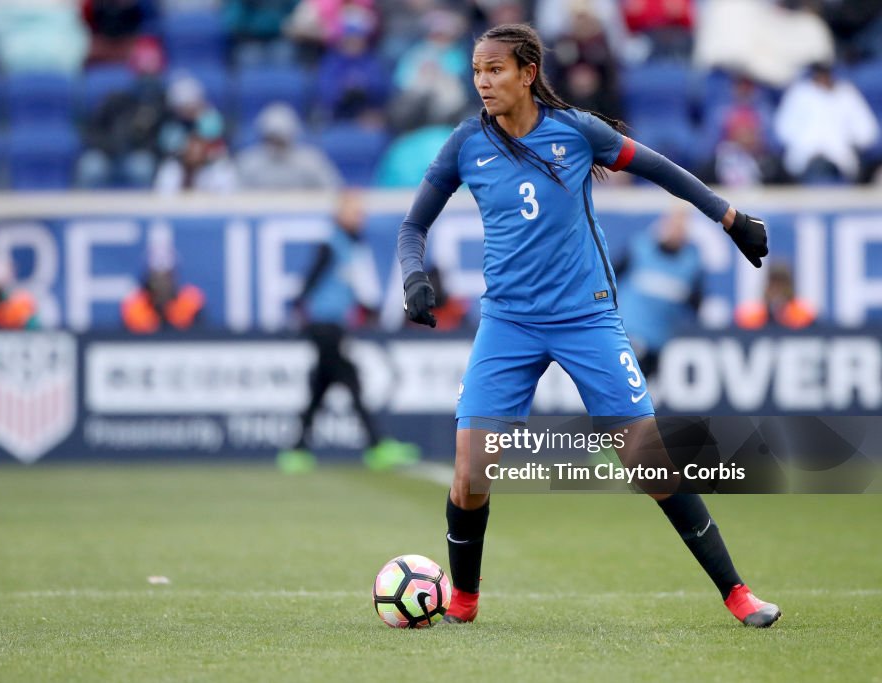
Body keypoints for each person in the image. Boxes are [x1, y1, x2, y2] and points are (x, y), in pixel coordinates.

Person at [397, 23, 778, 627]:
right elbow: (413, 226)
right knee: (471, 473)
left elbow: (660, 169)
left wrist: (729, 217)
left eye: (494, 70)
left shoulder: (576, 132)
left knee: (648, 461)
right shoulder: (465, 144)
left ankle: (738, 594)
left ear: (527, 73)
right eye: (476, 71)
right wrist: (414, 277)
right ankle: (463, 601)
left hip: (586, 318)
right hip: (509, 323)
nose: (482, 82)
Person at [278, 191, 420, 473]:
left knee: (320, 387)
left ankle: (296, 451)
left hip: (332, 324)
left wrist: (368, 309)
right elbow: (312, 278)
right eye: (355, 212)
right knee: (350, 379)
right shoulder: (331, 245)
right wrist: (298, 307)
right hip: (324, 326)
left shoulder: (349, 247)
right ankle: (376, 446)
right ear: (339, 214)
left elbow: (346, 287)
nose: (360, 218)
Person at [615, 206, 702, 379]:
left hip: (657, 343)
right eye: (673, 224)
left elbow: (696, 305)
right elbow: (610, 278)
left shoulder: (691, 265)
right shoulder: (639, 248)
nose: (676, 230)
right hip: (625, 336)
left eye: (682, 226)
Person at [121, 244, 205, 333]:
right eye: (156, 277)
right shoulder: (135, 307)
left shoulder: (190, 303)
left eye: (167, 276)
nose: (161, 283)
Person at [735, 262, 815, 330]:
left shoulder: (804, 316)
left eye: (782, 285)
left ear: (790, 287)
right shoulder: (752, 317)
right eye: (773, 284)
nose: (777, 290)